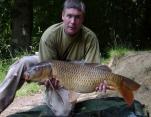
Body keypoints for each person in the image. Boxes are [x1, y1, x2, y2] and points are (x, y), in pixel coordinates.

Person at [0, 0, 110, 116]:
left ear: (83, 19)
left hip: (73, 74)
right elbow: (46, 68)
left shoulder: (90, 38)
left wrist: (99, 82)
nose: (73, 21)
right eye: (69, 16)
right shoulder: (50, 35)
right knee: (23, 64)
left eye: (77, 17)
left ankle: (51, 98)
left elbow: (93, 70)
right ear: (62, 15)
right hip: (50, 66)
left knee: (64, 111)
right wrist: (47, 81)